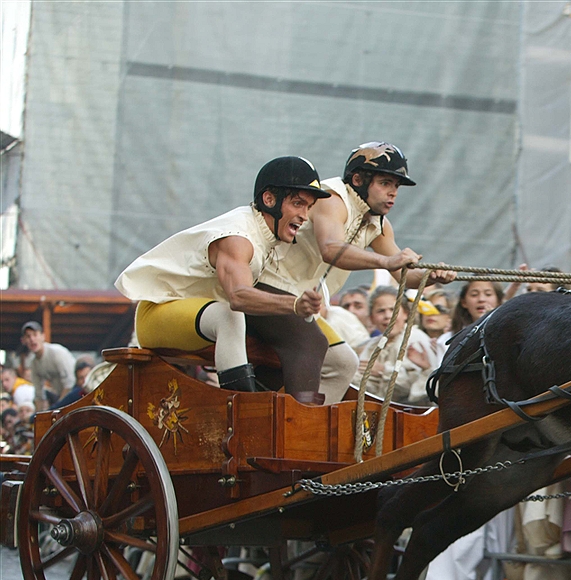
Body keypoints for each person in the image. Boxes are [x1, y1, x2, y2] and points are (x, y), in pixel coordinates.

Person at [116, 156, 333, 404]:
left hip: (200, 314)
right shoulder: (238, 236)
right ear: (269, 199)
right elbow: (239, 296)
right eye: (297, 203)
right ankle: (245, 409)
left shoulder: (265, 232)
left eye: (308, 207)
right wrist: (295, 305)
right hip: (155, 315)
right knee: (229, 315)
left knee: (341, 357)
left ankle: (305, 422)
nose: (304, 215)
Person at [258, 141, 453, 403]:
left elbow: (405, 278)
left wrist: (432, 276)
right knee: (312, 344)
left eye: (396, 186)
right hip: (265, 287)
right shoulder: (332, 199)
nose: (393, 193)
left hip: (298, 302)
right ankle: (300, 428)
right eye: (385, 183)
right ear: (359, 179)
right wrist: (387, 261)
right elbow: (331, 248)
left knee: (344, 364)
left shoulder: (379, 225)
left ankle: (311, 426)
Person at [20, 322, 76, 410]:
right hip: (61, 397)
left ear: (43, 336)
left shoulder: (57, 353)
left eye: (35, 334)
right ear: (24, 341)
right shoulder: (34, 363)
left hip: (76, 392)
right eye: (28, 336)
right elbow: (39, 395)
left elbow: (70, 384)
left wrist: (58, 407)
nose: (32, 339)